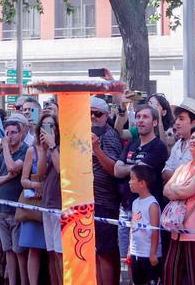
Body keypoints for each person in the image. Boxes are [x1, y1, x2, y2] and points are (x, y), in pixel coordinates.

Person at [115, 103, 168, 261]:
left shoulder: (159, 147)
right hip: (126, 208)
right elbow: (117, 171)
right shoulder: (132, 144)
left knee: (147, 260)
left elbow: (138, 171)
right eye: (138, 117)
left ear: (155, 122)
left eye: (145, 117)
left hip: (147, 211)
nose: (140, 120)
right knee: (128, 259)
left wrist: (129, 167)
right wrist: (133, 167)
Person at [90, 95, 124, 285]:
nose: (93, 117)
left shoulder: (109, 135)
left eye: (97, 114)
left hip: (105, 202)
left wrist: (96, 149)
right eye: (88, 113)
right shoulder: (87, 134)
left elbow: (114, 169)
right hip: (91, 201)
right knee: (96, 251)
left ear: (106, 115)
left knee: (105, 252)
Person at [161, 123, 195, 283]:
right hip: (176, 229)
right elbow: (165, 190)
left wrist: (176, 190)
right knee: (170, 272)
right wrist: (179, 190)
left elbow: (185, 191)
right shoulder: (183, 167)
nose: (193, 141)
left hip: (194, 232)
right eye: (192, 137)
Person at [0, 114, 29, 285]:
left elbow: (13, 166)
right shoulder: (1, 155)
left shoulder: (25, 150)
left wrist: (5, 148)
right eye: (7, 132)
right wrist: (8, 177)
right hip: (1, 209)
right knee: (7, 250)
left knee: (19, 251)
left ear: (21, 133)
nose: (9, 136)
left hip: (18, 210)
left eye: (13, 132)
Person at [19, 116, 47, 285]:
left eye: (51, 126)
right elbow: (23, 180)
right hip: (34, 204)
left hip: (52, 202)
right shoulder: (32, 150)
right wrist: (36, 185)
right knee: (33, 249)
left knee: (53, 251)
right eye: (44, 126)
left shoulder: (57, 148)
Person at [37, 113, 62, 285]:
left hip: (61, 206)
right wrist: (43, 150)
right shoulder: (47, 149)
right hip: (47, 204)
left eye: (51, 125)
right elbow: (41, 173)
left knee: (61, 254)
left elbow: (61, 169)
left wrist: (52, 145)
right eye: (44, 126)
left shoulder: (62, 146)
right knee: (52, 253)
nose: (48, 129)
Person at [129, 163, 161, 284]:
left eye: (132, 179)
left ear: (142, 183)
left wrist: (153, 253)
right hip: (136, 252)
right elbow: (132, 226)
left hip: (149, 254)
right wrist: (129, 249)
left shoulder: (152, 204)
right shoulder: (135, 203)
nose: (129, 182)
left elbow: (155, 230)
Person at [163, 97, 195, 184]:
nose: (176, 122)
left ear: (194, 122)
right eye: (176, 118)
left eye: (181, 118)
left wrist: (174, 179)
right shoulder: (177, 145)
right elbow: (165, 172)